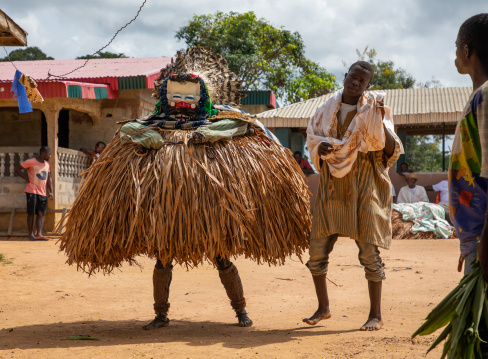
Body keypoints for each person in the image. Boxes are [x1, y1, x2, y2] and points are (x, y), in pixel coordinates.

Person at [58, 47, 311, 330]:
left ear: (202, 96)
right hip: (164, 210)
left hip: (209, 208)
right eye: (174, 95)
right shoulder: (150, 125)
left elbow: (245, 126)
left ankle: (241, 311)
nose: (180, 101)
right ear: (164, 95)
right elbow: (128, 130)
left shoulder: (216, 122)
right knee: (163, 259)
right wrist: (146, 135)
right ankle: (161, 314)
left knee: (221, 257)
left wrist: (214, 132)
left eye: (188, 96)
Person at [304, 60, 402, 331]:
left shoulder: (374, 108)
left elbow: (390, 148)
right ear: (345, 76)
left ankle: (376, 315)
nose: (356, 83)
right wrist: (320, 148)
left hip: (365, 185)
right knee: (316, 252)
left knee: (369, 253)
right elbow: (312, 139)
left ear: (367, 85)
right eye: (353, 77)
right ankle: (323, 308)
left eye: (362, 81)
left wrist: (380, 123)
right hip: (332, 187)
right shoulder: (324, 109)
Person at [451, 13, 488, 355]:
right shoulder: (482, 97)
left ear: (467, 49)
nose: (455, 55)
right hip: (479, 234)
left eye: (457, 48)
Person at [14, 146, 53, 241]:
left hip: (42, 193)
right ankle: (30, 234)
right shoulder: (31, 161)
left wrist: (51, 191)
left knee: (41, 213)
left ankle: (39, 234)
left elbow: (49, 178)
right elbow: (17, 168)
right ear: (43, 153)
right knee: (31, 213)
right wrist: (25, 178)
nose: (50, 156)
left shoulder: (47, 164)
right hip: (32, 191)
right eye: (49, 154)